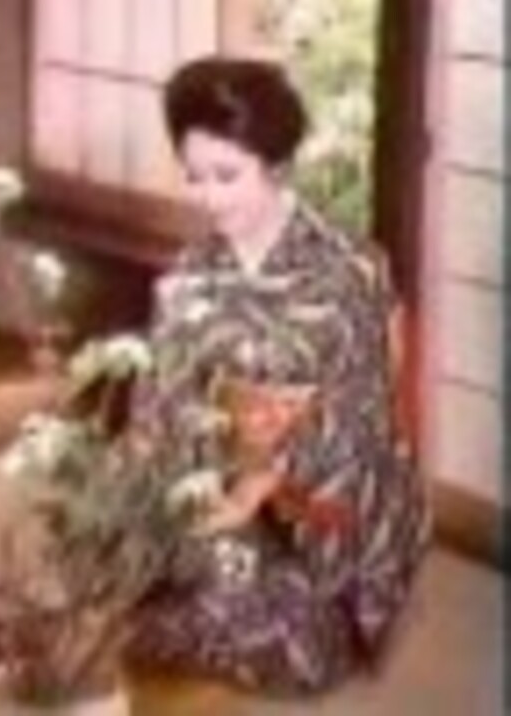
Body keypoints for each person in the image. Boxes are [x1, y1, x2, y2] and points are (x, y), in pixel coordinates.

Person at [126, 57, 432, 695]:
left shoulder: (349, 269)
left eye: (227, 176)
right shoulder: (188, 275)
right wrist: (164, 490)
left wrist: (261, 484)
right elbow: (160, 406)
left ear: (278, 164)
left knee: (263, 633)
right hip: (220, 484)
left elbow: (362, 417)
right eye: (194, 176)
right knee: (102, 582)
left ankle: (306, 615)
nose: (209, 197)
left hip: (322, 496)